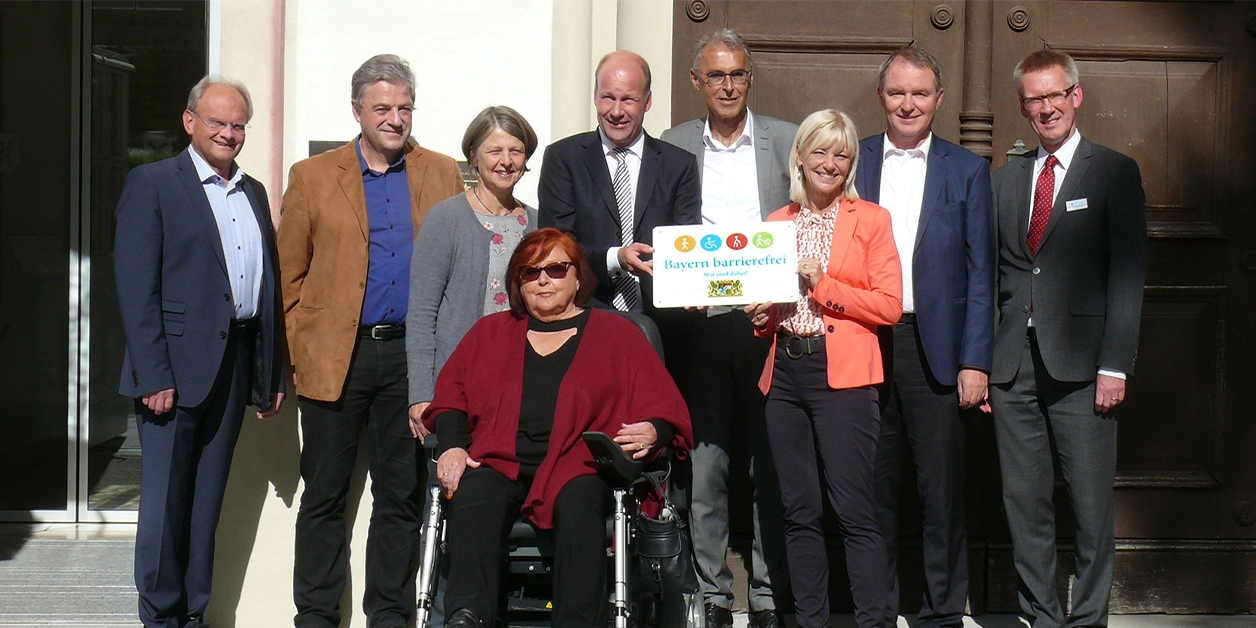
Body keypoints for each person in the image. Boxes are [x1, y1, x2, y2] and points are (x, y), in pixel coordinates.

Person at [422, 228, 693, 628]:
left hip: (578, 464)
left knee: (581, 499)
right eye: (530, 272)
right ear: (517, 282)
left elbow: (665, 407)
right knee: (474, 492)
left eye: (556, 268)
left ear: (578, 276)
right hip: (500, 459)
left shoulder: (620, 335)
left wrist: (654, 430)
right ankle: (468, 616)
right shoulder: (490, 333)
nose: (543, 279)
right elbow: (450, 399)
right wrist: (452, 446)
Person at [277, 54, 465, 628]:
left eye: (404, 108)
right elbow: (288, 276)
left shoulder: (441, 173)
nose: (394, 118)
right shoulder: (313, 176)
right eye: (382, 107)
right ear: (357, 109)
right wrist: (298, 349)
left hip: (410, 357)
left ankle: (389, 615)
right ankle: (315, 614)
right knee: (325, 496)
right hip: (337, 356)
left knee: (400, 496)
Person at [115, 75, 286, 628]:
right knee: (166, 509)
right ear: (190, 122)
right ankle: (160, 619)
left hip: (232, 366)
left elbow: (265, 287)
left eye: (238, 125)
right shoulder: (154, 183)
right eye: (217, 122)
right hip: (172, 370)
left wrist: (267, 371)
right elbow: (136, 287)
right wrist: (152, 373)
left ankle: (194, 615)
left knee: (206, 506)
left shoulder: (253, 191)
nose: (229, 133)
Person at [989, 49, 1145, 628]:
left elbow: (1127, 276)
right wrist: (979, 364)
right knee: (1022, 503)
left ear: (1076, 95)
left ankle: (1089, 620)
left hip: (1084, 368)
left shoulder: (1113, 171)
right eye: (1034, 98)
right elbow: (993, 279)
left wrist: (1116, 366)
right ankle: (1040, 616)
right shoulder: (1003, 184)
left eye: (1056, 94)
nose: (1046, 107)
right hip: (1012, 368)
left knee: (1088, 505)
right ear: (1023, 107)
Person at [853, 47, 995, 628]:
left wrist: (975, 360)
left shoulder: (967, 170)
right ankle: (877, 611)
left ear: (938, 100)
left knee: (941, 495)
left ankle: (941, 614)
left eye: (919, 93)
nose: (907, 104)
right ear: (881, 97)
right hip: (864, 340)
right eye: (896, 93)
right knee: (873, 489)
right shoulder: (852, 161)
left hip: (937, 349)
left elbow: (982, 272)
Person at [744, 109, 902, 628]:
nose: (830, 163)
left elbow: (889, 306)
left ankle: (872, 621)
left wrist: (823, 284)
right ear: (800, 157)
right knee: (798, 512)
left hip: (844, 377)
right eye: (820, 151)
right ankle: (809, 620)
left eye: (842, 154)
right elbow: (768, 317)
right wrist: (762, 316)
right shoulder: (776, 223)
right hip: (785, 374)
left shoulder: (871, 219)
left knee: (854, 509)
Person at [659, 28, 795, 628]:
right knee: (708, 463)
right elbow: (664, 224)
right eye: (716, 75)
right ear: (697, 82)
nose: (728, 85)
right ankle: (714, 592)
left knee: (770, 460)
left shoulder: (787, 141)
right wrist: (678, 282)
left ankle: (765, 593)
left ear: (749, 78)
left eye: (737, 73)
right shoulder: (673, 143)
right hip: (704, 322)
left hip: (769, 320)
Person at [537, 49, 702, 382]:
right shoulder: (563, 158)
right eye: (607, 98)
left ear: (647, 102)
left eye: (628, 100)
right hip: (584, 319)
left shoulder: (678, 164)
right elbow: (556, 244)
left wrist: (695, 284)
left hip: (665, 332)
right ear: (595, 97)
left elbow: (688, 240)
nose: (615, 111)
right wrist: (615, 258)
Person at [406, 105, 539, 425]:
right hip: (459, 386)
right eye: (495, 151)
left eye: (516, 151)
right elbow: (422, 314)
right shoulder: (446, 219)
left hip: (525, 385)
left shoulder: (537, 222)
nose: (506, 161)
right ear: (473, 156)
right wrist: (421, 394)